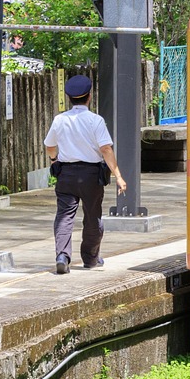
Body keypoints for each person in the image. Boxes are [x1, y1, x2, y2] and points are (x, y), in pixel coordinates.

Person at [44, 74, 128, 273]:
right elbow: (106, 149)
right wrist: (118, 175)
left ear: (70, 98)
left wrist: (54, 160)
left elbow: (49, 145)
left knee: (64, 216)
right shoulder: (96, 121)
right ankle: (90, 258)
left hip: (65, 174)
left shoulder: (59, 120)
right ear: (89, 96)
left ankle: (62, 255)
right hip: (91, 176)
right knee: (92, 217)